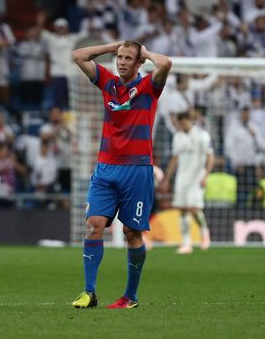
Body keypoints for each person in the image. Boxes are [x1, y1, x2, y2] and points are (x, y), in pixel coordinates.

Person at [70, 39, 172, 309]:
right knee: (94, 225)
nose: (122, 62)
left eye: (129, 58)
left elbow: (166, 63)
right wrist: (113, 46)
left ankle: (130, 297)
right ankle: (88, 293)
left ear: (139, 62)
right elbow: (79, 56)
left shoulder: (149, 86)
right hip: (106, 167)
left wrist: (145, 52)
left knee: (132, 233)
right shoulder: (108, 83)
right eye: (120, 58)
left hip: (137, 170)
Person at [162, 110, 214, 254]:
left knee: (194, 208)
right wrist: (167, 178)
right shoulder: (178, 137)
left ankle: (204, 232)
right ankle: (186, 243)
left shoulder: (202, 136)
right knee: (182, 209)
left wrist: (206, 176)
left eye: (184, 122)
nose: (181, 125)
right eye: (180, 123)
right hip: (182, 178)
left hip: (197, 177)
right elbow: (175, 159)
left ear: (190, 120)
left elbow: (210, 157)